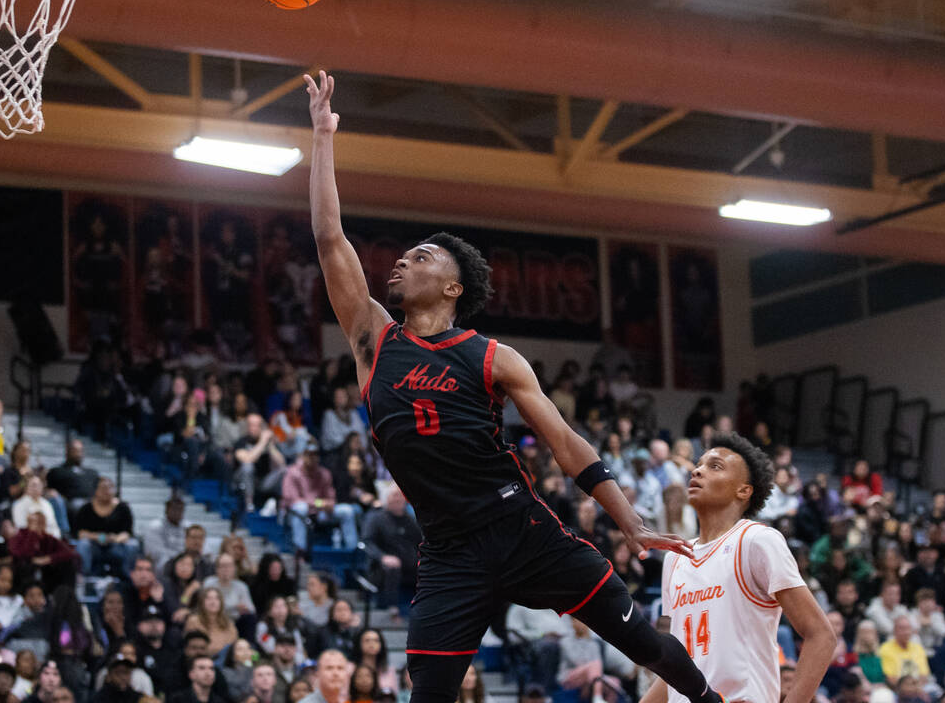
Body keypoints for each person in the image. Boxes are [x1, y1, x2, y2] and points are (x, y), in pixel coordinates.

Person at [304, 70, 726, 703]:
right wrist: (323, 137)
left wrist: (631, 524)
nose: (402, 262)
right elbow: (329, 236)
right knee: (431, 692)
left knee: (641, 643)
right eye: (405, 255)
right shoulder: (374, 338)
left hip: (522, 527)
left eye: (421, 257)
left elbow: (563, 440)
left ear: (452, 288)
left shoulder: (493, 357)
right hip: (448, 551)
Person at [642, 433, 835, 703]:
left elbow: (821, 635)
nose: (697, 470)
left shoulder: (756, 541)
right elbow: (679, 665)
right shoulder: (676, 557)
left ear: (744, 490)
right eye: (699, 464)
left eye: (715, 466)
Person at [281, 440, 358, 553]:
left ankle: (352, 552)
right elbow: (291, 500)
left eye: (315, 455)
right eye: (309, 455)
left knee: (347, 510)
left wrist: (327, 504)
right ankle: (300, 551)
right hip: (295, 514)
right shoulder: (293, 473)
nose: (312, 458)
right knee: (300, 507)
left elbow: (331, 500)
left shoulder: (324, 473)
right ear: (303, 456)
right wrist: (318, 503)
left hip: (319, 512)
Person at [360, 487, 422, 614]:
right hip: (381, 566)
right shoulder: (376, 518)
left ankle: (425, 607)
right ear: (385, 499)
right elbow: (367, 542)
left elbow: (421, 542)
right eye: (394, 496)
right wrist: (383, 557)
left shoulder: (411, 520)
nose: (398, 499)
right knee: (392, 566)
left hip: (410, 564)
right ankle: (391, 608)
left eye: (400, 496)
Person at [73, 478, 137, 578]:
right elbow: (80, 533)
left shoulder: (123, 507)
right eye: (103, 488)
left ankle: (128, 578)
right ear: (95, 491)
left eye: (110, 488)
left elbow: (127, 533)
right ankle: (83, 578)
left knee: (132, 545)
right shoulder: (86, 508)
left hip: (115, 545)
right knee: (82, 545)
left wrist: (115, 539)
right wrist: (99, 537)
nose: (107, 491)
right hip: (93, 545)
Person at [878, 615, 931, 686]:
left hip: (920, 687)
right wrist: (908, 687)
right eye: (902, 629)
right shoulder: (885, 649)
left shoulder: (918, 648)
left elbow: (924, 675)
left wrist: (916, 687)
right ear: (894, 631)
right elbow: (890, 678)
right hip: (896, 688)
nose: (906, 632)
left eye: (908, 628)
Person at [46, 441, 99, 511]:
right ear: (67, 452)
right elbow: (49, 490)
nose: (78, 454)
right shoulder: (57, 471)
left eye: (80, 450)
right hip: (69, 505)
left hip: (92, 504)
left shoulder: (92, 472)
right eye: (75, 450)